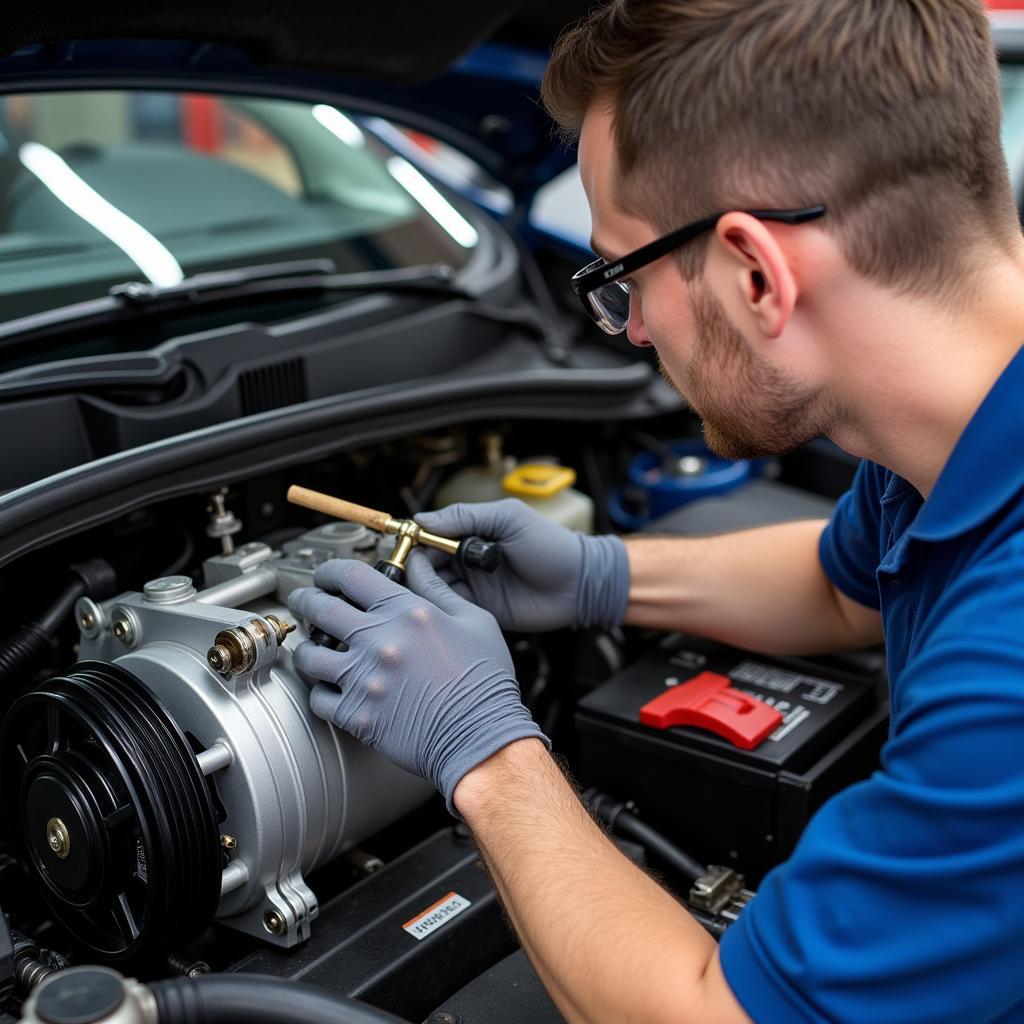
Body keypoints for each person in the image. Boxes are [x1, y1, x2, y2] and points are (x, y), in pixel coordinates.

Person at [287, 1, 1024, 1020]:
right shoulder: (946, 445)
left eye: (620, 275)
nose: (628, 330)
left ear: (756, 272)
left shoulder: (1005, 677)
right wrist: (602, 576)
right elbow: (842, 584)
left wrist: (485, 751)